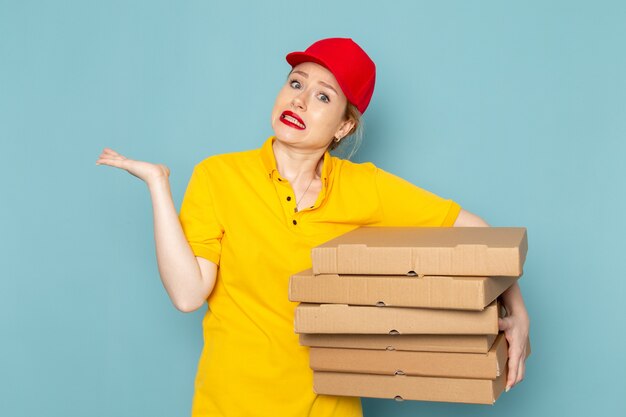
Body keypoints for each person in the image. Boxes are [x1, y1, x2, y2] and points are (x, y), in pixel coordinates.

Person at [96, 37, 530, 417]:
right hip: (229, 405)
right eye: (296, 82)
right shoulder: (218, 177)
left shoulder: (365, 188)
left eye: (324, 96)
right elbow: (189, 294)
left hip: (329, 407)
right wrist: (158, 186)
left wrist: (517, 311)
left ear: (344, 125)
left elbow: (479, 234)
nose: (299, 100)